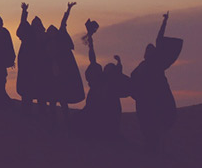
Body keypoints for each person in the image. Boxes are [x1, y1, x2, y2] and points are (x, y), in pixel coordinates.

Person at [130, 11, 184, 155]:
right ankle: (152, 148)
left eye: (151, 50)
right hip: (145, 102)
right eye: (148, 50)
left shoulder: (157, 63)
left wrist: (164, 22)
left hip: (158, 99)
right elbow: (133, 80)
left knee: (158, 126)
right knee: (148, 128)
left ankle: (159, 150)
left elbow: (159, 39)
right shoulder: (142, 66)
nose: (149, 51)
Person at [78, 19, 130, 144]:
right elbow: (92, 57)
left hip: (109, 112)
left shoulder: (112, 85)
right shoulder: (98, 79)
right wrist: (90, 39)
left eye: (110, 68)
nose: (107, 69)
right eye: (107, 67)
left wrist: (119, 63)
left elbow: (119, 74)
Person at [46, 3, 86, 121]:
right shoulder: (46, 45)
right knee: (53, 100)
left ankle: (66, 119)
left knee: (62, 99)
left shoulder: (60, 42)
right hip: (51, 75)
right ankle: (53, 120)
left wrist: (68, 10)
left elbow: (63, 23)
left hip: (62, 74)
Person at [16, 3, 50, 113]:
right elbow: (22, 26)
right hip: (28, 69)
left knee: (41, 94)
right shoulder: (28, 36)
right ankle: (27, 112)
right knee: (27, 93)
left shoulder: (44, 38)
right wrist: (24, 12)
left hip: (40, 69)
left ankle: (42, 113)